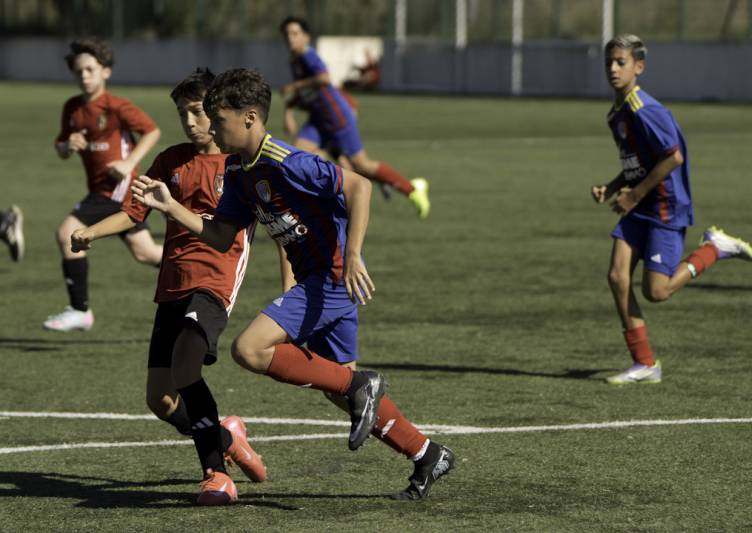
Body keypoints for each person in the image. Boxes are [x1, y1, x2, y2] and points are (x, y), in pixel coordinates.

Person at [133, 68, 455, 500]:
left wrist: (354, 255)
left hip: (333, 280)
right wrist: (171, 206)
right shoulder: (240, 170)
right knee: (339, 391)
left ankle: (361, 386)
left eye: (217, 117)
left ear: (249, 117)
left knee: (250, 349)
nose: (210, 126)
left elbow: (358, 186)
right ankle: (428, 453)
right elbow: (220, 234)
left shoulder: (287, 160)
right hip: (317, 281)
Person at [71, 69, 266, 506]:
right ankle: (226, 436)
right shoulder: (170, 160)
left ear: (218, 111)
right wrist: (92, 232)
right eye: (182, 114)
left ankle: (216, 473)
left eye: (197, 112)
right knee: (160, 399)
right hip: (173, 284)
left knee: (186, 367)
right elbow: (134, 212)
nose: (190, 122)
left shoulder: (239, 165)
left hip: (214, 282)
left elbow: (262, 226)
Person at [592, 34, 752, 385]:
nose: (613, 69)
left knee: (657, 291)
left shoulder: (644, 109)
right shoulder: (617, 112)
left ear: (639, 67)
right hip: (641, 201)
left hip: (665, 205)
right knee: (617, 277)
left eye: (620, 62)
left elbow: (672, 158)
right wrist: (611, 186)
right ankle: (645, 363)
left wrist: (634, 195)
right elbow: (640, 162)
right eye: (609, 62)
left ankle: (714, 248)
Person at [46, 37, 163, 332]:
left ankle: (79, 310)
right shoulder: (72, 108)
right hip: (100, 188)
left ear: (105, 72)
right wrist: (67, 145)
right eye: (79, 71)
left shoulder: (116, 106)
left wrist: (128, 163)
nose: (84, 76)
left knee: (67, 233)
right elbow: (61, 147)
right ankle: (200, 263)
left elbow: (151, 131)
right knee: (145, 252)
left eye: (90, 69)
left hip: (118, 187)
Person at [279, 16, 431, 219]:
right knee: (296, 158)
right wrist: (288, 111)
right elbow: (307, 93)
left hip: (336, 117)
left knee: (361, 165)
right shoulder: (295, 59)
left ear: (306, 37)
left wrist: (293, 88)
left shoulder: (308, 55)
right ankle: (312, 212)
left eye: (295, 33)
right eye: (287, 34)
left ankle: (413, 190)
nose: (291, 38)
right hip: (318, 120)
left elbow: (324, 78)